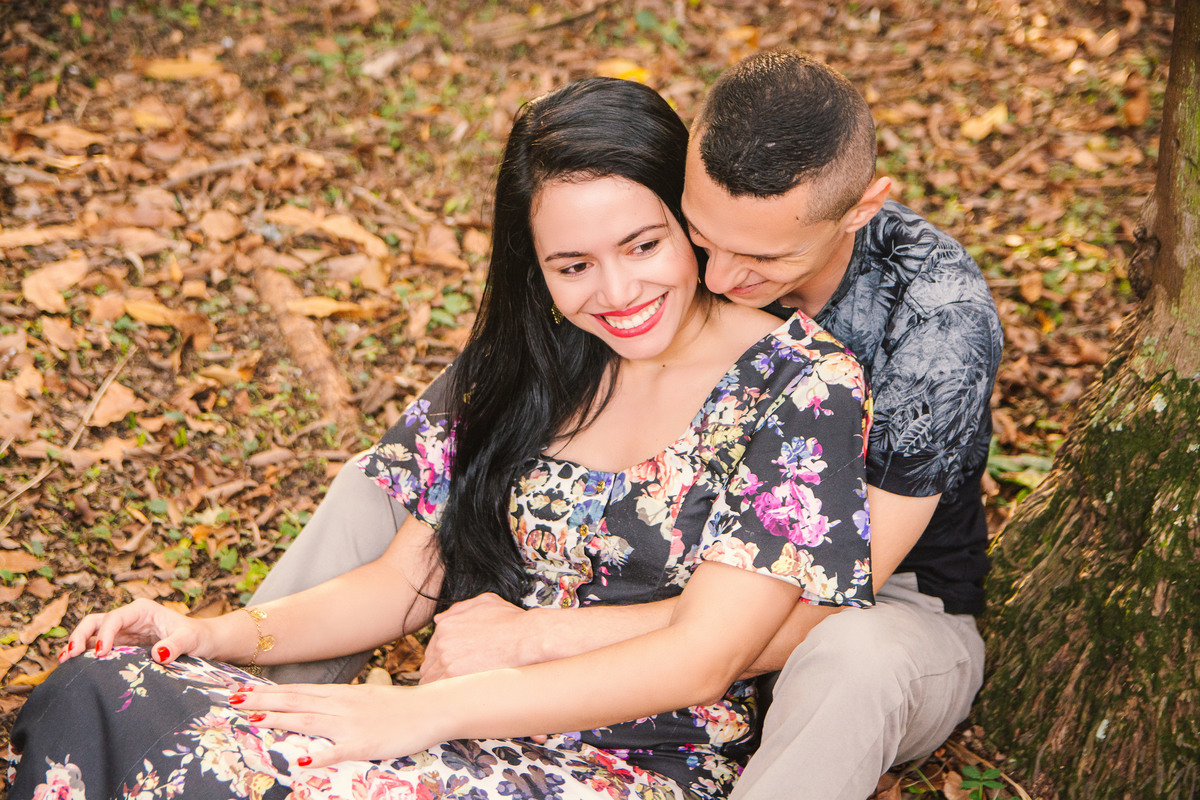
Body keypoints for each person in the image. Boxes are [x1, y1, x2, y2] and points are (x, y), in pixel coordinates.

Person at [8, 77, 874, 800]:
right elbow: (401, 583)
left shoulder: (800, 386)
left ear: (688, 221)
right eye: (573, 266)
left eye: (643, 245)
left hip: (624, 765)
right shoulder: (526, 366)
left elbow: (701, 660)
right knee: (99, 689)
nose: (617, 293)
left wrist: (422, 714)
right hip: (451, 738)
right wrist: (209, 634)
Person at [246, 50, 1004, 799]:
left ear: (861, 210)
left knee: (852, 658)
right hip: (687, 571)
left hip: (862, 600)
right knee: (384, 484)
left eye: (760, 259)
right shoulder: (647, 260)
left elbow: (815, 601)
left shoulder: (937, 325)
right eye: (699, 236)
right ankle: (251, 715)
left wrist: (538, 635)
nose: (718, 278)